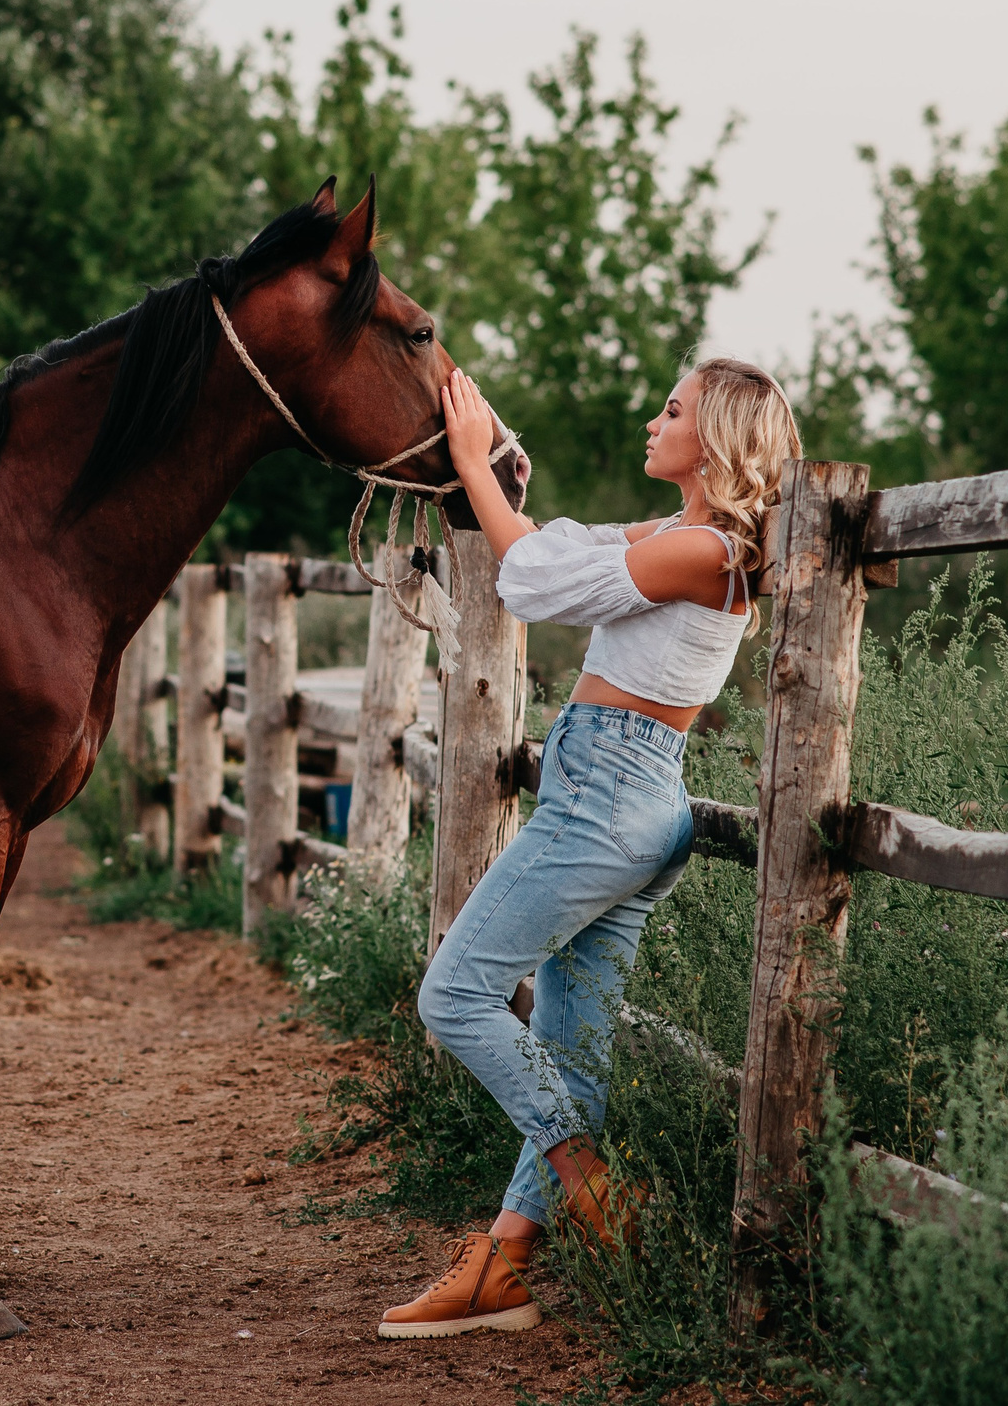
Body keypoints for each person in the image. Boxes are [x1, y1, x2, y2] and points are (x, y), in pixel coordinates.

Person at [376, 357, 803, 1341]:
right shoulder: (676, 534)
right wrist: (491, 480)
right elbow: (543, 546)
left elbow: (526, 580)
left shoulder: (707, 548)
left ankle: (589, 1181)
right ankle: (503, 1263)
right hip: (626, 795)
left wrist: (474, 461)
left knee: (452, 993)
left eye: (673, 408)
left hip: (605, 799)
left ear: (720, 440)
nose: (652, 419)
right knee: (571, 1040)